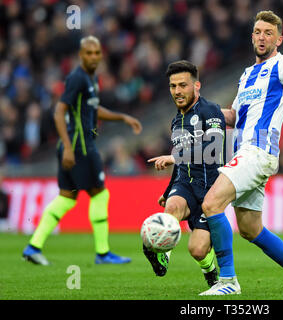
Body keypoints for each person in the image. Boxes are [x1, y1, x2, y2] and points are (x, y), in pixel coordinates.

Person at [198, 11, 283, 295]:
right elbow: (234, 116)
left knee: (211, 203)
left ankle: (228, 282)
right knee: (250, 228)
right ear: (252, 36)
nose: (262, 37)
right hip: (245, 152)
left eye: (268, 32)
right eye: (257, 31)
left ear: (279, 39)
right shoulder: (246, 75)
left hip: (258, 150)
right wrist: (202, 108)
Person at [22, 36, 143, 265]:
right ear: (81, 55)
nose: (94, 57)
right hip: (80, 147)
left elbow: (94, 110)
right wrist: (68, 147)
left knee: (66, 198)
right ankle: (103, 253)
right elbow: (59, 111)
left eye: (97, 53)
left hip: (74, 147)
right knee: (100, 193)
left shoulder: (90, 79)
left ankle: (33, 246)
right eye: (89, 53)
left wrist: (123, 117)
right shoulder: (78, 78)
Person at [145, 60, 226, 288]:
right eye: (173, 86)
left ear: (196, 86)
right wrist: (168, 189)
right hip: (185, 184)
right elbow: (180, 160)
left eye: (183, 85)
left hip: (210, 189)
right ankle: (162, 253)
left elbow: (213, 148)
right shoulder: (176, 120)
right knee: (171, 209)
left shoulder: (210, 110)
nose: (178, 91)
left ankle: (210, 270)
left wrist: (174, 158)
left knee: (197, 249)